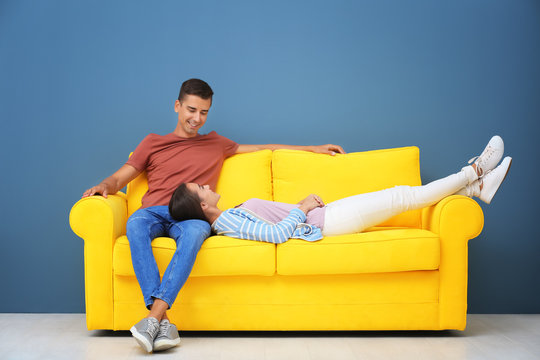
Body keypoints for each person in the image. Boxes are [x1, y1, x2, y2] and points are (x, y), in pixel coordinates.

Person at [81, 78, 345, 353]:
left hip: (193, 216)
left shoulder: (216, 143)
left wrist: (313, 149)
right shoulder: (153, 142)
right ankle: (161, 319)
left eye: (203, 112)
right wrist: (105, 186)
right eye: (191, 110)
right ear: (177, 106)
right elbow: (123, 175)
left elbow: (262, 149)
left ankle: (152, 319)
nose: (197, 119)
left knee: (195, 233)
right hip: (155, 211)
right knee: (135, 222)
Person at [169, 136, 512, 243]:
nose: (207, 184)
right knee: (405, 196)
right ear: (201, 206)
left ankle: (476, 189)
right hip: (328, 223)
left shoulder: (229, 215)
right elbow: (274, 235)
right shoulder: (227, 222)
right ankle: (475, 169)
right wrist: (301, 207)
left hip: (329, 215)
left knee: (404, 196)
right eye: (200, 188)